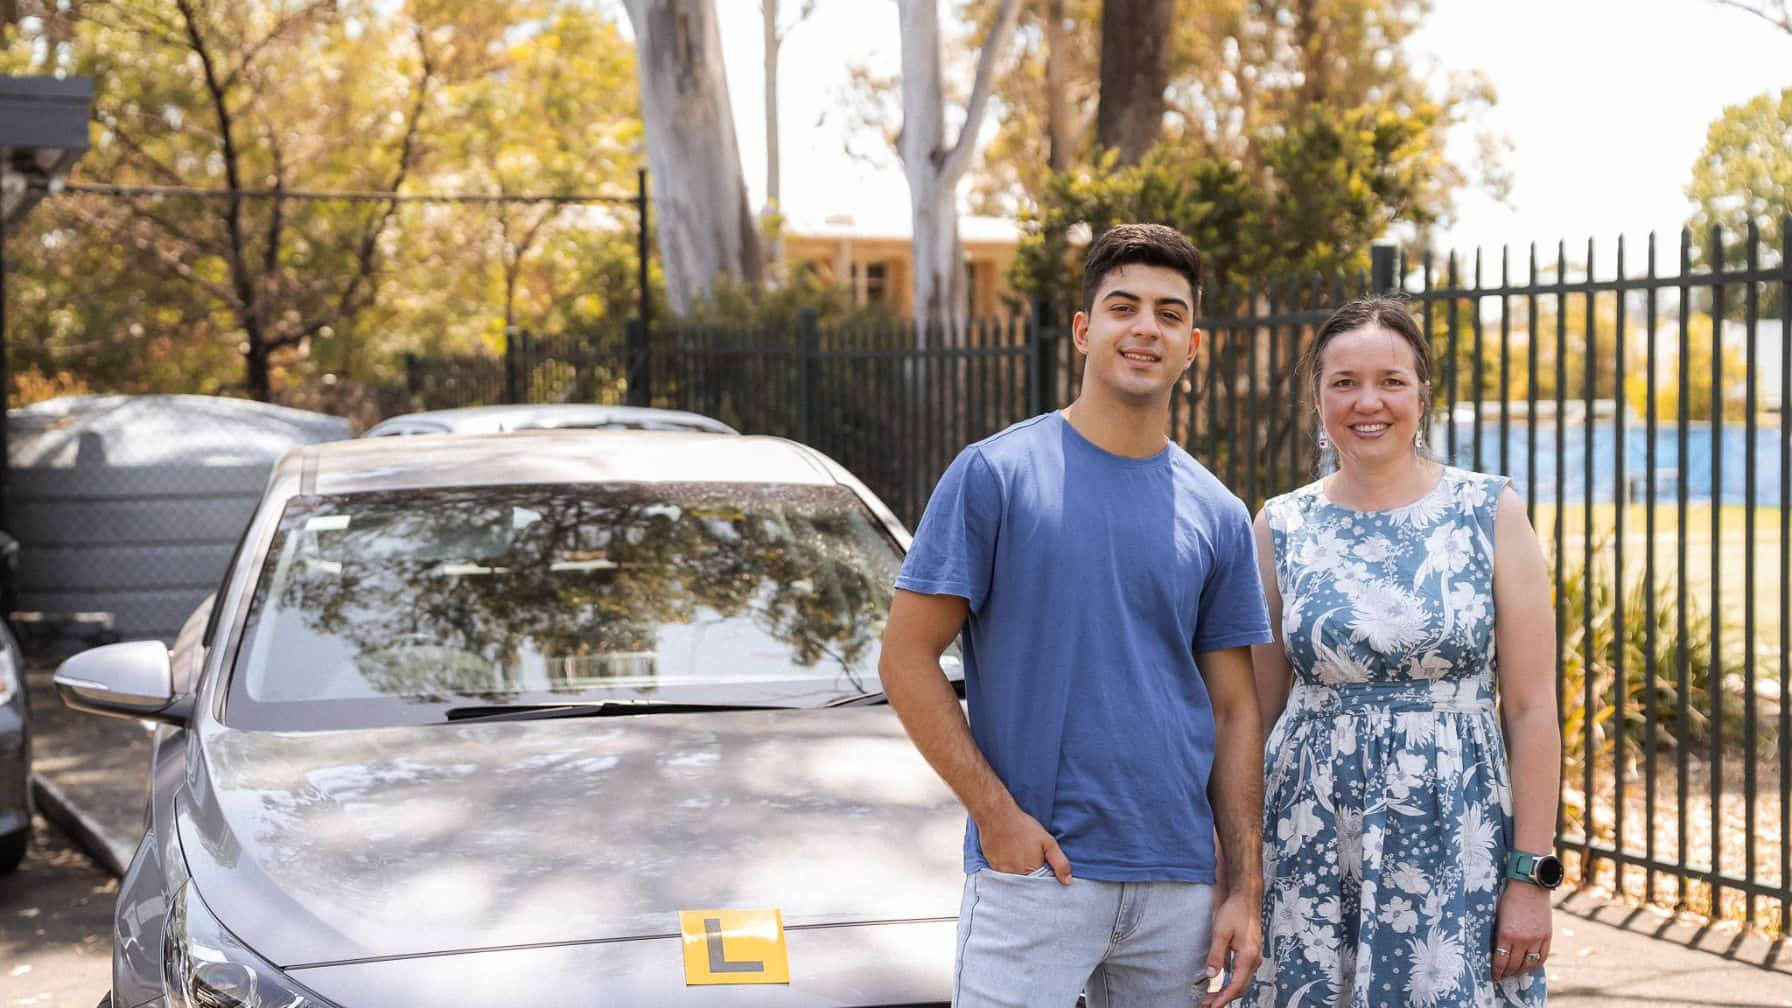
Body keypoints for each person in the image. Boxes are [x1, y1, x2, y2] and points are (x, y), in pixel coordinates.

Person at [878, 223, 1271, 1008]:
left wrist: (1243, 891)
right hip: (1036, 877)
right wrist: (997, 819)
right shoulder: (994, 475)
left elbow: (1235, 712)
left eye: (1168, 313)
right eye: (1123, 307)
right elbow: (905, 658)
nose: (1145, 328)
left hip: (1177, 891)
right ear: (1086, 331)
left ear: (1192, 346)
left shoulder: (1219, 512)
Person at [1244, 297, 1561, 1007]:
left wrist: (1529, 879)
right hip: (1308, 844)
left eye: (1390, 380)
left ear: (1422, 394)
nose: (1368, 402)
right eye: (1344, 382)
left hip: (1456, 845)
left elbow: (1535, 710)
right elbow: (1252, 716)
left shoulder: (1491, 512)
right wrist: (1237, 873)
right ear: (1318, 396)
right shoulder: (1280, 525)